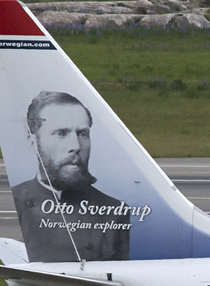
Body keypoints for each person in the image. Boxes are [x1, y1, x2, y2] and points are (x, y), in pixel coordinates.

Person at [11, 91, 132, 262]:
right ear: (34, 143)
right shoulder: (14, 201)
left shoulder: (115, 211)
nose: (75, 146)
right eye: (61, 133)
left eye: (82, 134)